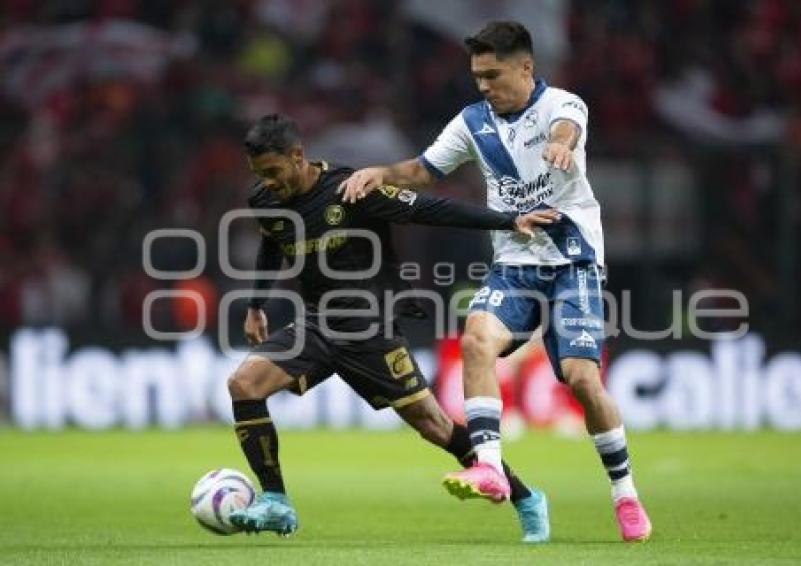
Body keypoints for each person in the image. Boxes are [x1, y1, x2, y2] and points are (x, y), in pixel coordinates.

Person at [339, 21, 652, 542]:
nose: (483, 85)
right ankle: (489, 466)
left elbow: (566, 130)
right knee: (475, 339)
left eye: (493, 74)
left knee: (580, 379)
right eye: (477, 75)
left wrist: (559, 145)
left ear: (525, 67)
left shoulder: (564, 105)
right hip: (514, 263)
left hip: (573, 260)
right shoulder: (472, 122)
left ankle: (625, 494)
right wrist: (380, 173)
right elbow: (423, 170)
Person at [226, 113, 556, 542]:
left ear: (298, 156)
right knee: (244, 384)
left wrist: (509, 220)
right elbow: (273, 241)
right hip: (314, 324)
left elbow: (433, 210)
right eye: (259, 174)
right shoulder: (265, 201)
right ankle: (275, 502)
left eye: (273, 171)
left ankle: (527, 497)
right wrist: (256, 303)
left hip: (368, 328)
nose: (268, 181)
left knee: (434, 426)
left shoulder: (352, 191)